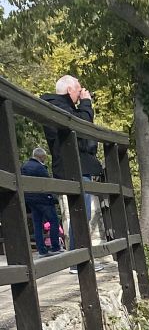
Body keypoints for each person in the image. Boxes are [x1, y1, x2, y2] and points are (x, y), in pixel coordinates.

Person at [40, 74, 104, 245]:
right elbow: (82, 127)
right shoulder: (57, 108)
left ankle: (80, 260)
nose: (81, 92)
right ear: (69, 90)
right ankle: (78, 262)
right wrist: (86, 103)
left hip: (78, 166)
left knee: (82, 214)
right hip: (74, 167)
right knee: (81, 214)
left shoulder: (63, 107)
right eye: (78, 88)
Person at [21, 144, 63, 255]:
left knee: (37, 225)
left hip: (30, 200)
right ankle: (55, 247)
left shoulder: (24, 166)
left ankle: (41, 250)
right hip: (43, 199)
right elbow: (48, 183)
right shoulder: (40, 167)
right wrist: (53, 198)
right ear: (42, 157)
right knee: (54, 221)